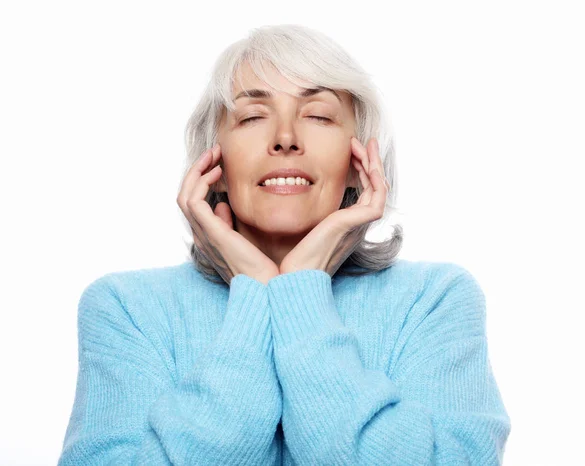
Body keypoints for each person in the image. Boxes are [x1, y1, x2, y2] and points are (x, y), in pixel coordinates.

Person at [58, 24, 511, 465]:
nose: (286, 138)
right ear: (212, 161)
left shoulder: (434, 299)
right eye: (253, 117)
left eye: (317, 115)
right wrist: (253, 292)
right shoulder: (126, 309)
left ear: (359, 161)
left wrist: (300, 292)